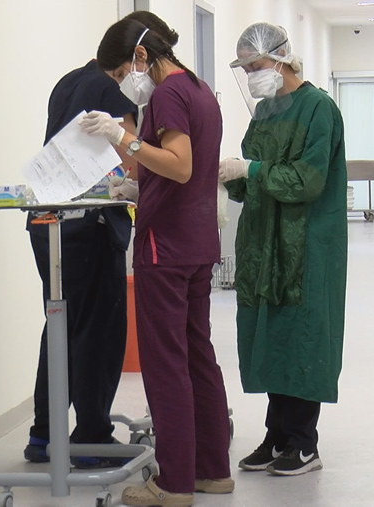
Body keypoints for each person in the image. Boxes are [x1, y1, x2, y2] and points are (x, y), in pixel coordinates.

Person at [83, 15, 232, 506]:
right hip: (197, 244)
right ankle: (212, 470)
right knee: (197, 356)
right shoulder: (200, 91)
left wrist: (122, 136)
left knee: (166, 364)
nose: (125, 84)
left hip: (164, 249)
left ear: (141, 56)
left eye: (122, 73)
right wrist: (134, 181)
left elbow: (181, 165)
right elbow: (176, 167)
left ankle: (173, 482)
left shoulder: (167, 95)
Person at [219, 22, 348, 477]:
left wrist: (252, 170)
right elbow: (251, 175)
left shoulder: (319, 109)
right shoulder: (264, 112)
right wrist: (228, 175)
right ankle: (276, 436)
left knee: (302, 337)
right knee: (270, 335)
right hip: (263, 242)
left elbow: (307, 180)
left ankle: (303, 442)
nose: (251, 75)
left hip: (306, 242)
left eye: (255, 65)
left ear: (280, 59)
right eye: (245, 69)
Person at [23, 40, 139, 468]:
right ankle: (92, 438)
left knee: (59, 326)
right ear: (134, 61)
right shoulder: (112, 91)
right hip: (88, 228)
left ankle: (44, 434)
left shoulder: (68, 82)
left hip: (48, 223)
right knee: (97, 331)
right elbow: (131, 156)